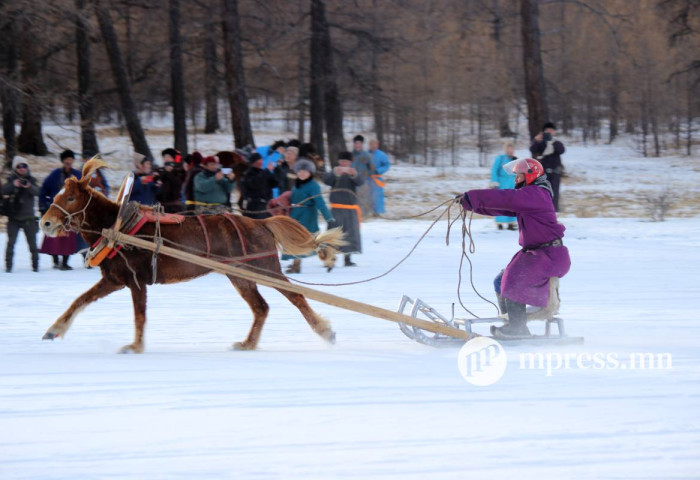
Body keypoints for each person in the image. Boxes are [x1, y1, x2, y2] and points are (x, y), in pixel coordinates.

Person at [459, 158, 571, 339]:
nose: (516, 179)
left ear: (530, 176)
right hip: (538, 254)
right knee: (500, 281)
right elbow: (502, 207)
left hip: (548, 255)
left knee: (514, 280)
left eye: (519, 175)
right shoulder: (529, 197)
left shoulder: (536, 194)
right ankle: (513, 323)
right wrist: (472, 205)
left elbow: (506, 198)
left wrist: (473, 196)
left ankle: (517, 329)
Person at [282, 159, 334, 274]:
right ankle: (296, 265)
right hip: (295, 215)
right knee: (294, 240)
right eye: (300, 171)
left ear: (310, 172)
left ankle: (329, 257)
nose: (302, 173)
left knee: (311, 241)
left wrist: (328, 217)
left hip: (307, 216)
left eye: (305, 171)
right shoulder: (297, 184)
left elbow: (320, 202)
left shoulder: (313, 185)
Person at [39, 150, 82, 270]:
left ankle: (64, 262)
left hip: (70, 212)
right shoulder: (55, 174)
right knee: (54, 236)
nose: (68, 161)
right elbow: (44, 189)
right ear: (63, 161)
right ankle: (55, 261)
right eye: (66, 159)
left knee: (68, 237)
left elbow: (82, 191)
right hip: (56, 211)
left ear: (72, 161)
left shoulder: (77, 175)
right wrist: (43, 205)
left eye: (70, 159)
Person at [323, 151, 363, 267]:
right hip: (336, 209)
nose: (344, 163)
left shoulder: (353, 172)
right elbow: (326, 180)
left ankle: (348, 258)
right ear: (339, 162)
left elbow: (360, 182)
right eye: (342, 161)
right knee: (333, 234)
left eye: (346, 161)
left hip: (350, 209)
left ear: (350, 162)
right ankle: (330, 257)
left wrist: (354, 175)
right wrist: (335, 173)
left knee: (349, 234)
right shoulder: (334, 172)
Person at [3, 157, 40, 272]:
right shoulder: (10, 180)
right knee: (11, 243)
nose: (22, 169)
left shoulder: (31, 180)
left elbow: (38, 192)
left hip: (28, 218)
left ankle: (35, 266)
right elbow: (3, 191)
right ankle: (8, 266)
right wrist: (13, 185)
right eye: (19, 166)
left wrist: (29, 186)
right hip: (13, 218)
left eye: (24, 166)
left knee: (33, 245)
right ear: (15, 168)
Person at [530, 122, 565, 211]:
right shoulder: (541, 143)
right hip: (543, 173)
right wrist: (536, 140)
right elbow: (533, 150)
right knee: (543, 193)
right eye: (547, 131)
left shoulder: (557, 143)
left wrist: (551, 143)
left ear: (554, 132)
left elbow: (561, 150)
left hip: (555, 173)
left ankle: (554, 212)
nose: (549, 133)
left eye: (551, 131)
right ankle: (543, 212)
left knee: (555, 194)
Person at [239, 152, 277, 219]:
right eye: (258, 160)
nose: (261, 162)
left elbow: (275, 184)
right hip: (255, 206)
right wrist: (267, 171)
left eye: (261, 160)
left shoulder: (263, 172)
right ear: (253, 162)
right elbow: (256, 183)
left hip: (266, 206)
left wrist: (274, 171)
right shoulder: (248, 174)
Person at [490, 141, 518, 230]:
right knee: (501, 203)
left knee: (513, 203)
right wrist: (494, 181)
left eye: (512, 149)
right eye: (509, 148)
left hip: (512, 183)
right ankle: (500, 222)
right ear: (505, 149)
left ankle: (511, 223)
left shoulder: (515, 159)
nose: (510, 150)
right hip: (502, 183)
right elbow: (494, 170)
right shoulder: (500, 158)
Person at [351, 135, 373, 216]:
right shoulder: (350, 155)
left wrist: (368, 175)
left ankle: (364, 215)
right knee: (353, 198)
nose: (357, 145)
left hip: (363, 180)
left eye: (359, 143)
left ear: (362, 144)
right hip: (352, 181)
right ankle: (354, 214)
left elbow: (370, 168)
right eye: (356, 143)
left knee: (364, 198)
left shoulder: (367, 155)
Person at [368, 139, 390, 215]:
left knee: (378, 196)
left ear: (378, 145)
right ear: (369, 145)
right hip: (366, 179)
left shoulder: (382, 155)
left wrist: (378, 170)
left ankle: (378, 212)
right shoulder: (365, 154)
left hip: (377, 179)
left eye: (375, 144)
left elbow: (386, 165)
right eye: (372, 144)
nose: (374, 146)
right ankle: (367, 212)